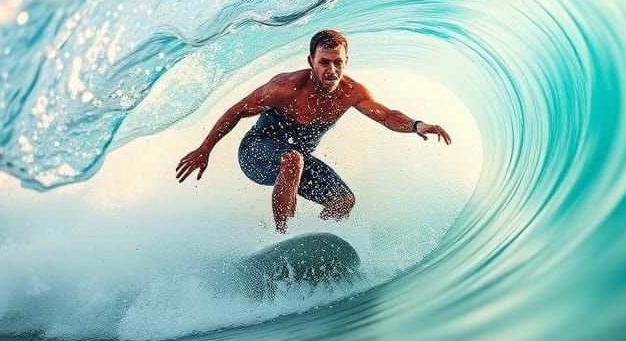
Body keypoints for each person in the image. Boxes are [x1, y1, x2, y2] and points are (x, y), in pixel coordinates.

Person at [176, 29, 452, 233]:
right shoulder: (284, 88)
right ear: (311, 61)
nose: (332, 70)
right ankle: (282, 236)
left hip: (296, 162)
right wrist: (205, 149)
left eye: (338, 63)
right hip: (255, 154)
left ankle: (311, 241)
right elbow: (236, 110)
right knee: (293, 158)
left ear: (345, 61)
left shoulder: (351, 93)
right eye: (324, 62)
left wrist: (416, 125)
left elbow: (387, 115)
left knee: (343, 200)